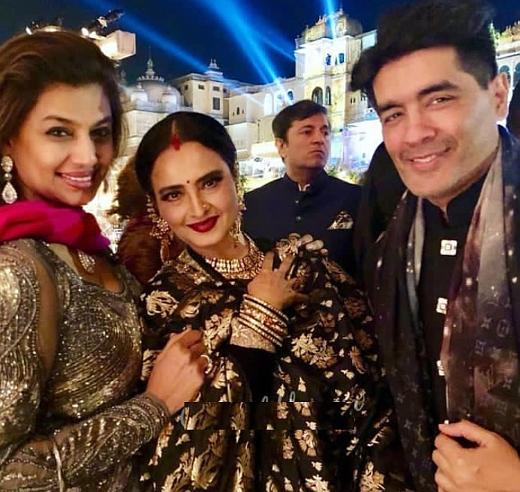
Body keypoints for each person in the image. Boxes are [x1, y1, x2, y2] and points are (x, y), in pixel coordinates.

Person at [133, 111, 410, 491]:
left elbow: (376, 394)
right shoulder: (162, 305)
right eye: (174, 194)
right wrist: (258, 320)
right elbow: (177, 451)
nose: (197, 208)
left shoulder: (303, 265)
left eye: (210, 182)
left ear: (235, 177)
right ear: (156, 207)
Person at [0, 31, 205, 490]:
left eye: (100, 132)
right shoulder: (16, 270)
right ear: (9, 138)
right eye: (59, 132)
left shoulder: (85, 247)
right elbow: (7, 473)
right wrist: (153, 406)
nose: (89, 156)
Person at [351, 0, 520, 490]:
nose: (414, 134)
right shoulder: (391, 248)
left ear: (498, 94)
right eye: (393, 114)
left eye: (440, 99)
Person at [243, 100, 361, 277]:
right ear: (281, 146)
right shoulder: (252, 205)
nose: (319, 140)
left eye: (325, 133)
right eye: (307, 132)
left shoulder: (356, 199)